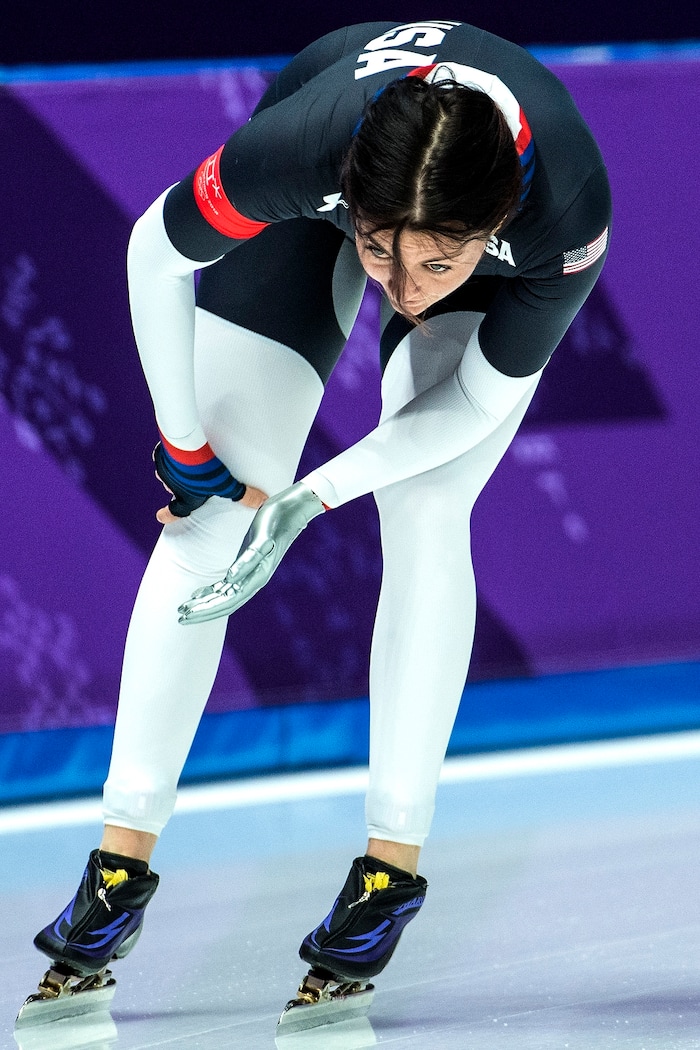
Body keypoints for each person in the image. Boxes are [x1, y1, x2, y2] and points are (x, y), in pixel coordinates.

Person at [30, 19, 611, 1014]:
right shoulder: (303, 150)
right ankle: (115, 869)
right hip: (327, 175)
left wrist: (311, 495)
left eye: (436, 266)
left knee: (428, 503)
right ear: (354, 201)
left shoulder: (563, 214)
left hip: (485, 231)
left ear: (493, 227)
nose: (404, 291)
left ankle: (387, 872)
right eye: (382, 256)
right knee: (206, 521)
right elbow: (155, 252)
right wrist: (185, 448)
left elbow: (469, 400)